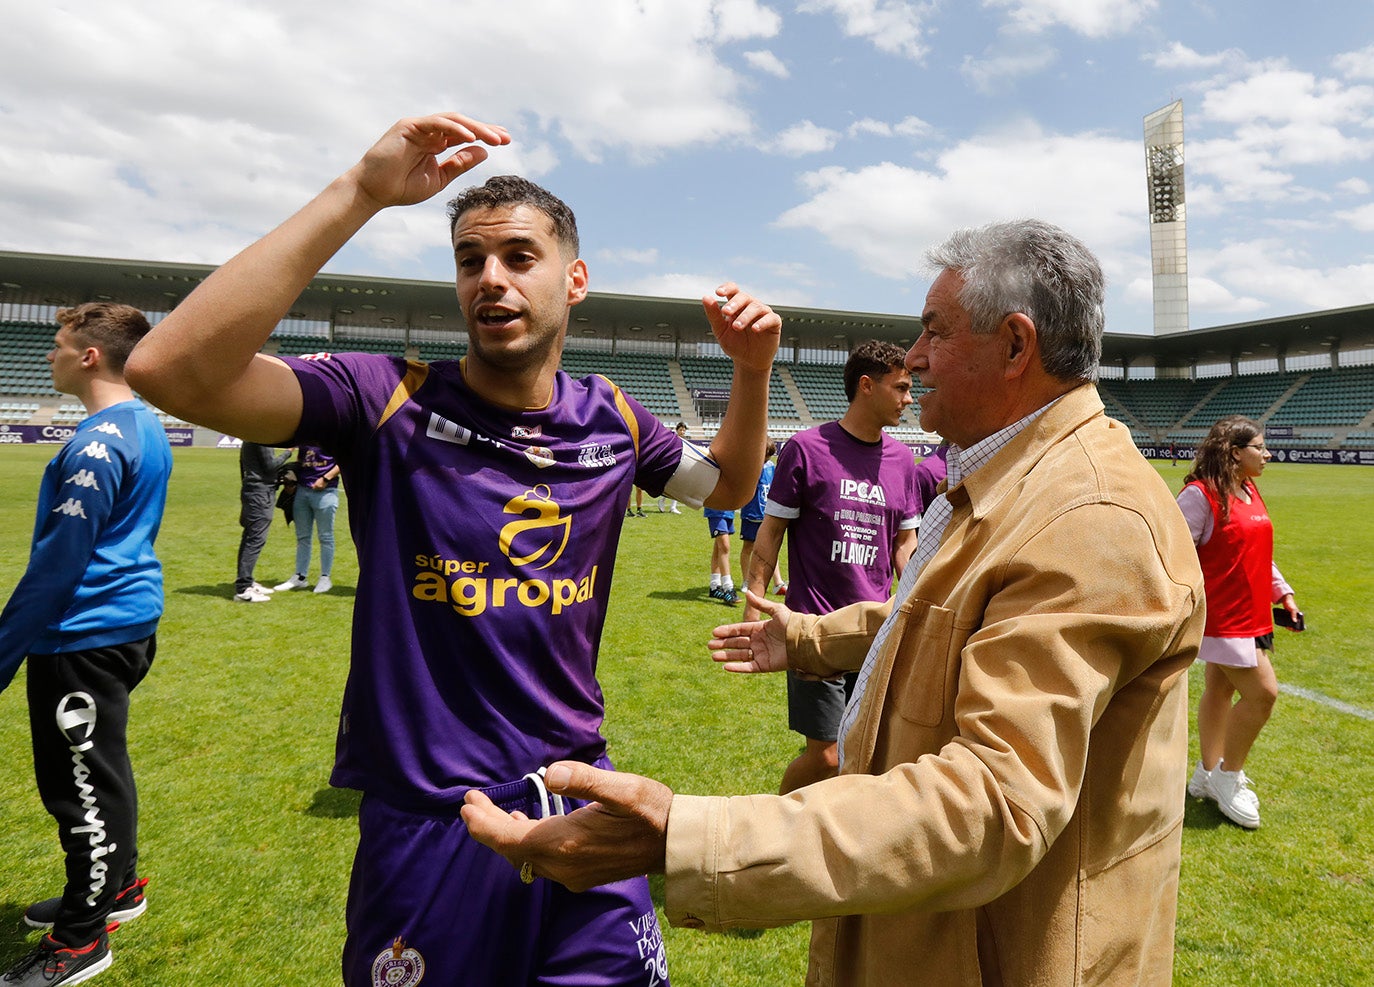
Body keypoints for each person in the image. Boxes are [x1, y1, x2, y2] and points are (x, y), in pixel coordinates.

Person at [124, 112, 780, 987]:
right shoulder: (382, 397)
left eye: (517, 256)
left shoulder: (613, 416)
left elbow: (729, 488)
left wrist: (751, 370)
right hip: (433, 819)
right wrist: (361, 192)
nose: (490, 279)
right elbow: (170, 370)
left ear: (574, 278)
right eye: (470, 261)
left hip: (580, 792)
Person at [462, 219, 1207, 987]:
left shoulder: (1088, 515)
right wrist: (817, 637)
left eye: (933, 331)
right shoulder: (1017, 476)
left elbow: (995, 801)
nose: (914, 358)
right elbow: (957, 616)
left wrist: (687, 836)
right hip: (939, 936)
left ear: (1016, 346)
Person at [0, 303, 172, 987]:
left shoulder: (98, 443)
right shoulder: (143, 423)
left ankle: (80, 941)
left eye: (58, 343)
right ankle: (116, 890)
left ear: (91, 355)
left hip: (83, 634)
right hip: (122, 625)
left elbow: (57, 566)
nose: (50, 354)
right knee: (100, 767)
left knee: (81, 788)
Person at [742, 341, 926, 794]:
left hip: (874, 630)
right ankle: (774, 825)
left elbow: (905, 544)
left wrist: (922, 602)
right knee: (826, 755)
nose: (909, 398)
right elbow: (771, 532)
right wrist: (754, 602)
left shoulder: (904, 461)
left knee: (868, 752)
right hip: (813, 628)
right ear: (867, 386)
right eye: (900, 387)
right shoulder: (806, 449)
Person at [1178, 416, 1298, 829]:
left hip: (1254, 614)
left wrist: (1282, 592)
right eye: (1259, 447)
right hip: (1223, 620)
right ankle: (1229, 777)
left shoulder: (1248, 489)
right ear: (1234, 452)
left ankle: (1207, 774)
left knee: (1218, 690)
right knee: (1263, 694)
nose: (1267, 455)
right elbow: (1172, 553)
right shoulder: (1199, 496)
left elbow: (1259, 554)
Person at [274, 444, 341, 594]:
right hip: (302, 491)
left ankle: (325, 577)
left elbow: (343, 462)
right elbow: (300, 460)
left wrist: (325, 478)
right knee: (302, 536)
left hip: (326, 491)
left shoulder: (333, 434)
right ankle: (300, 576)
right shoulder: (304, 435)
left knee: (325, 536)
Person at [234, 441, 293, 602]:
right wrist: (288, 452)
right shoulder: (260, 439)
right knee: (255, 539)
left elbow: (242, 466)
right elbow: (270, 466)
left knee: (249, 537)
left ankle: (246, 580)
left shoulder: (248, 438)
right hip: (260, 493)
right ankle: (243, 588)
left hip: (252, 490)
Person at [737, 439, 782, 598]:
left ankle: (778, 583)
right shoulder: (750, 467)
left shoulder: (771, 467)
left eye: (769, 457)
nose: (766, 460)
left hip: (767, 514)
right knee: (748, 547)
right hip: (751, 513)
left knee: (770, 547)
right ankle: (746, 581)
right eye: (764, 456)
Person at [704, 507, 738, 604]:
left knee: (718, 547)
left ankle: (714, 587)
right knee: (724, 546)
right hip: (716, 509)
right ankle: (728, 588)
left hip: (728, 510)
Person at [659, 423, 688, 513]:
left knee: (677, 486)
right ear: (677, 430)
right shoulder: (673, 439)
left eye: (684, 430)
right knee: (669, 485)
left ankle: (673, 507)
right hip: (672, 464)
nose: (682, 432)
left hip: (680, 465)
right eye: (681, 430)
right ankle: (662, 500)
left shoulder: (685, 442)